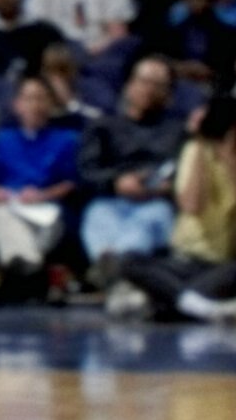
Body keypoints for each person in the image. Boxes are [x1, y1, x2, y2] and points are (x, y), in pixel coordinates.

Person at [107, 94, 236, 325]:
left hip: (221, 263)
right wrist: (202, 148)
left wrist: (232, 165)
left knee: (232, 274)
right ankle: (194, 306)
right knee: (128, 261)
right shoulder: (194, 150)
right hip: (183, 259)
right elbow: (192, 205)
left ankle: (163, 301)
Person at [77, 55, 185, 279]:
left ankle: (116, 269)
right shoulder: (103, 127)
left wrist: (163, 188)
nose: (149, 89)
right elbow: (87, 172)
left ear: (169, 94)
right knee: (98, 215)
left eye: (157, 85)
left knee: (147, 221)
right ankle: (115, 268)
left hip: (156, 202)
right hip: (112, 199)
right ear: (129, 85)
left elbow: (186, 176)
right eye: (143, 81)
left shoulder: (179, 132)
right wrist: (117, 182)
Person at [0, 77, 83, 302]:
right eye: (28, 98)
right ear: (16, 105)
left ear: (51, 105)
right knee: (0, 217)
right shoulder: (0, 140)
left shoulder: (67, 140)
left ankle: (19, 270)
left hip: (47, 206)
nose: (34, 105)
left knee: (49, 222)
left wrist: (43, 195)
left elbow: (71, 182)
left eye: (40, 99)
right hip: (9, 205)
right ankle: (34, 270)